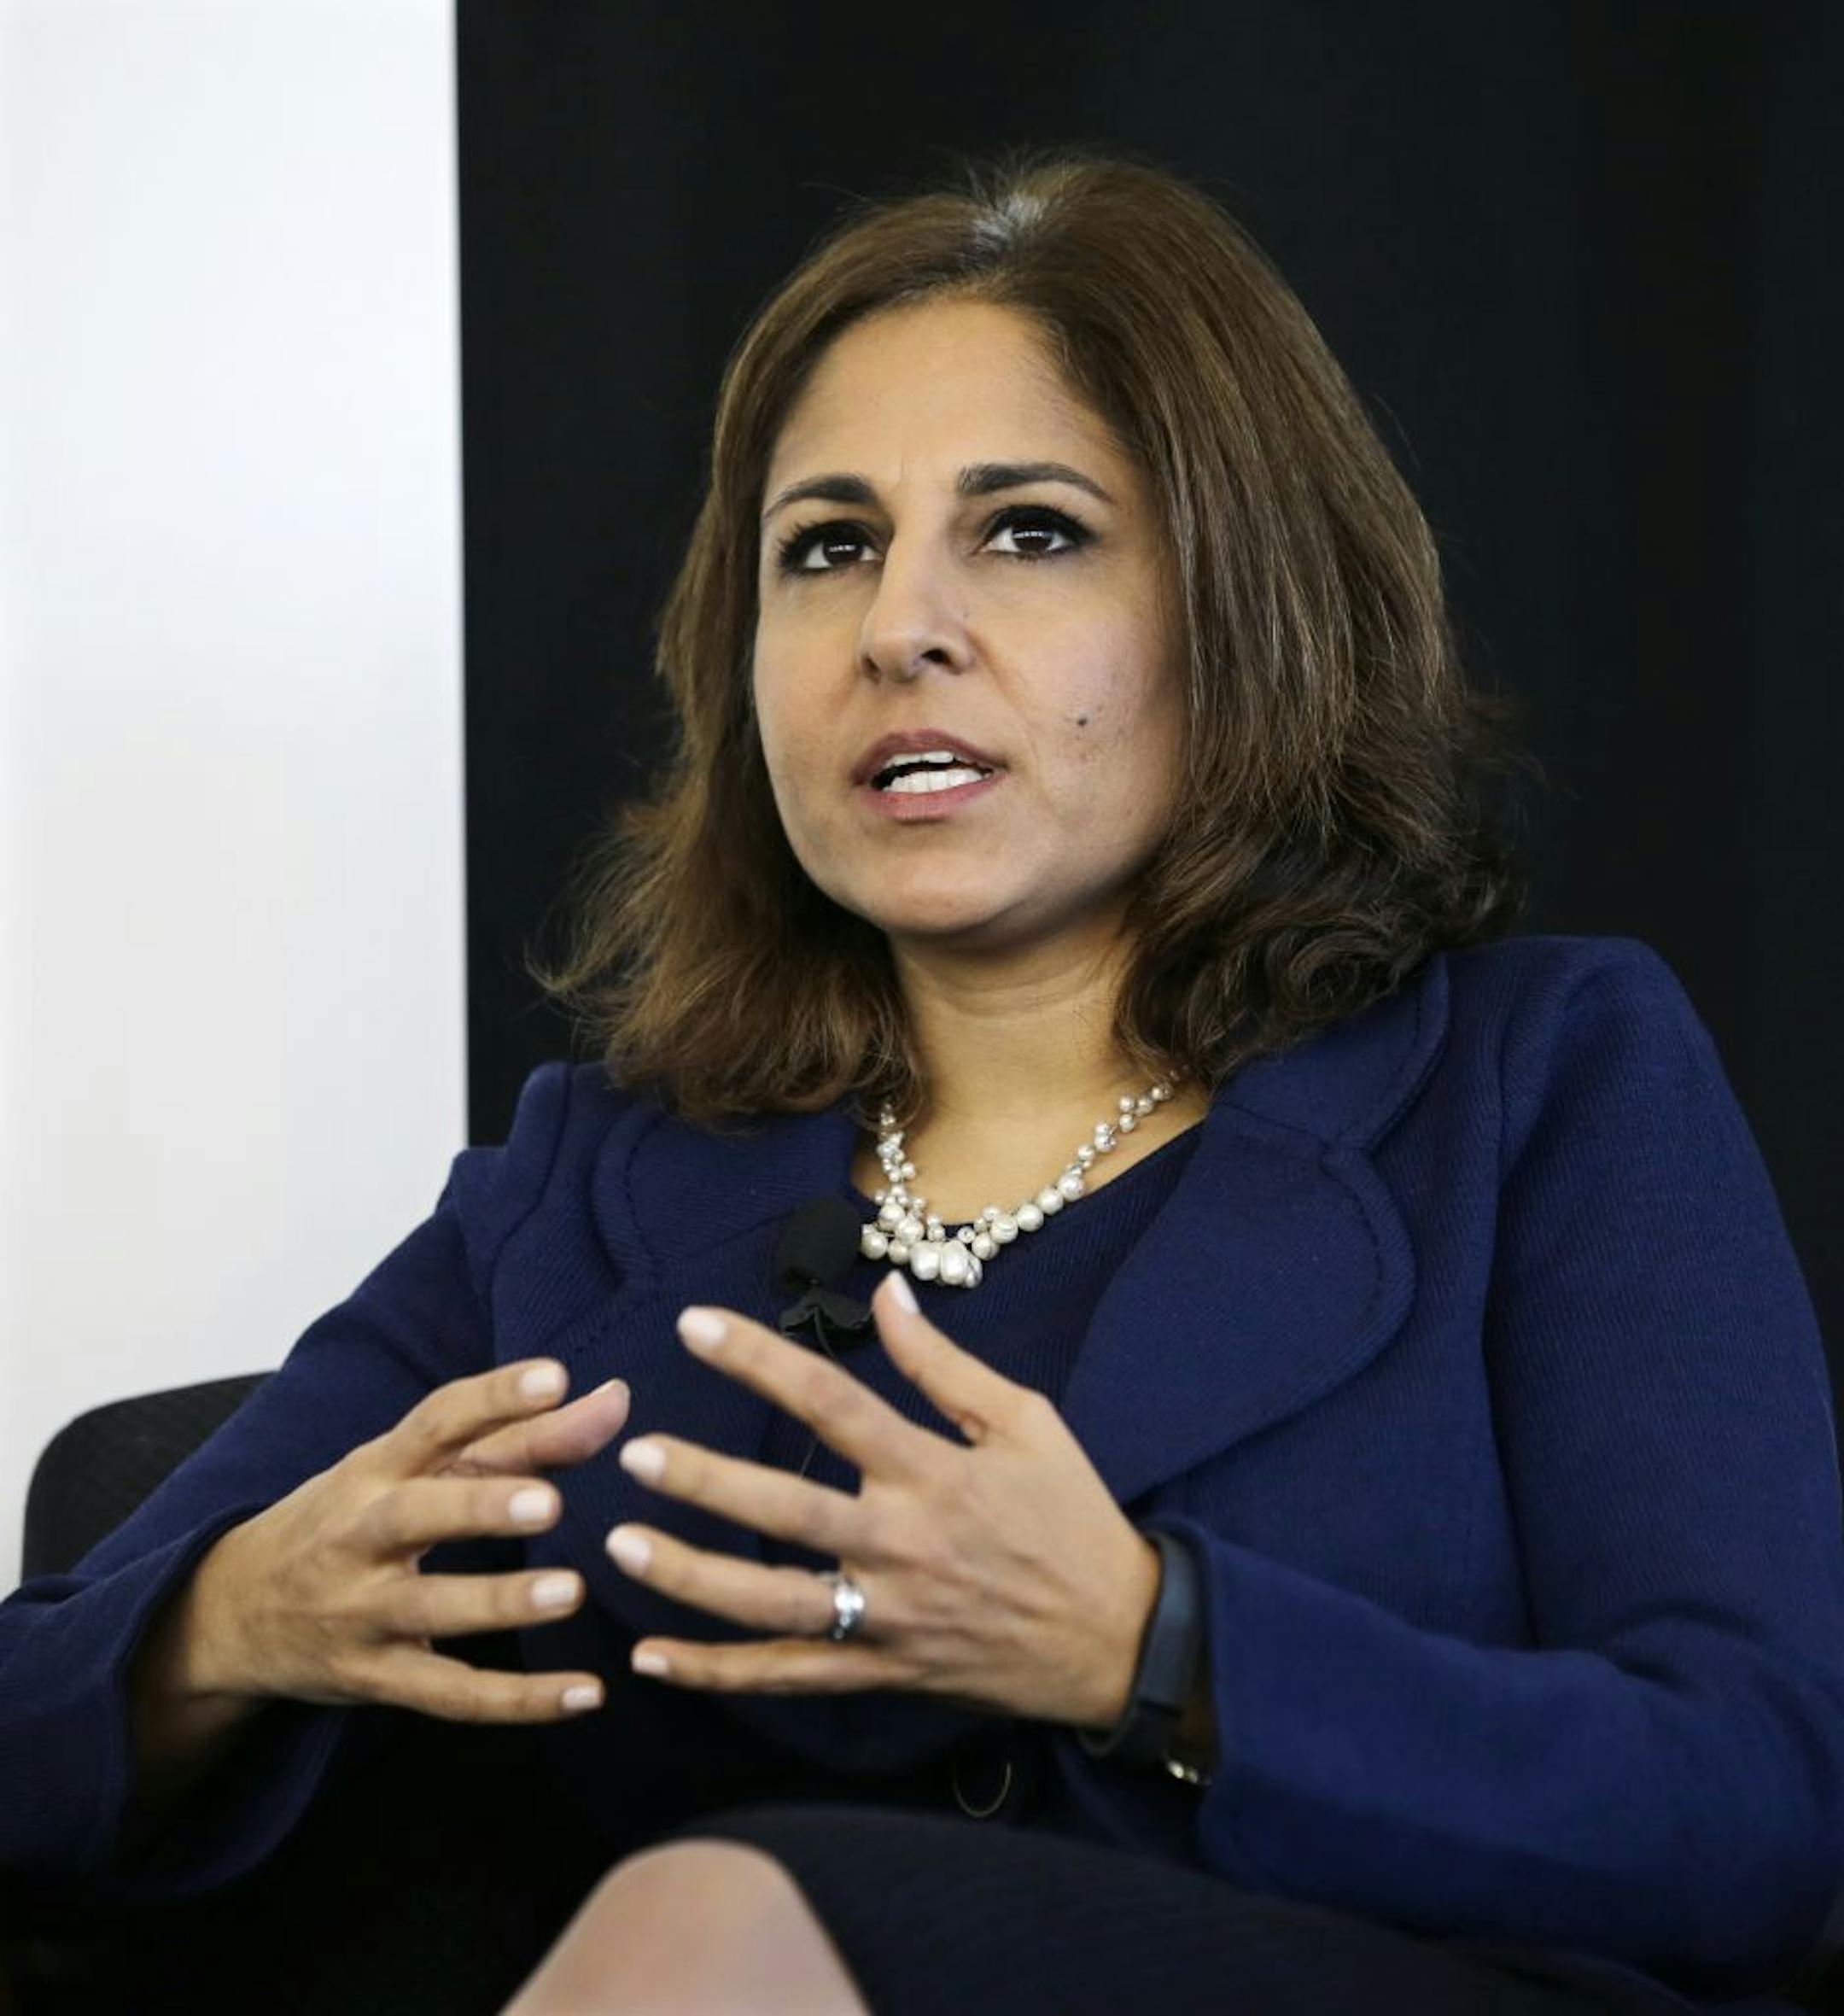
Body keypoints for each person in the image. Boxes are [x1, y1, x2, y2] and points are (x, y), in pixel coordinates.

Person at [3, 142, 1841, 2016]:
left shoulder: (1544, 1084)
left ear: (1243, 603)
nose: (901, 624)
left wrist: (1154, 1642)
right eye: (828, 547)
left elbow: (1757, 1806)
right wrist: (222, 1624)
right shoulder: (596, 1183)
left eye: (1028, 529)